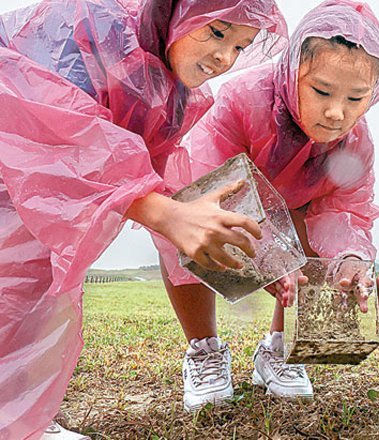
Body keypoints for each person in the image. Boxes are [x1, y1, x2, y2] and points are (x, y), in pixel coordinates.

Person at [0, 0, 288, 437]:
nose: (225, 58)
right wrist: (165, 213)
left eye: (241, 46)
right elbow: (56, 134)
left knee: (36, 296)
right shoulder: (93, 31)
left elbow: (148, 168)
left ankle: (20, 420)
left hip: (34, 215)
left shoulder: (170, 86)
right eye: (216, 33)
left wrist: (258, 264)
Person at [155, 0, 379, 410]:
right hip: (224, 193)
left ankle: (279, 349)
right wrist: (265, 257)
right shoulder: (243, 99)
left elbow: (345, 209)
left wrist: (350, 257)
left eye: (356, 98)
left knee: (317, 247)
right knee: (191, 240)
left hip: (295, 204)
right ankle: (204, 349)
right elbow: (215, 185)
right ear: (292, 70)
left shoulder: (356, 141)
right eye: (321, 91)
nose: (337, 112)